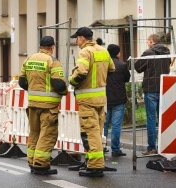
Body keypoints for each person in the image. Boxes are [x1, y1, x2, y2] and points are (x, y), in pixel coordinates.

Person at [69, 27, 115, 177]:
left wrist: (71, 80)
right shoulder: (103, 50)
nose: (76, 41)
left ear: (82, 38)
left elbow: (81, 72)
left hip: (87, 99)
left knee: (90, 133)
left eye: (77, 38)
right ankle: (92, 161)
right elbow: (112, 68)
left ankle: (95, 166)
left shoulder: (84, 52)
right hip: (101, 99)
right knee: (97, 131)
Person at [18, 36, 68, 175]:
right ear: (52, 47)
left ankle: (32, 161)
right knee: (47, 134)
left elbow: (22, 81)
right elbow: (59, 84)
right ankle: (41, 164)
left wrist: (34, 90)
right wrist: (64, 92)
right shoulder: (53, 61)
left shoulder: (29, 59)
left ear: (40, 46)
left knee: (34, 133)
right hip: (48, 107)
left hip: (33, 104)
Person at [134, 34, 171, 155]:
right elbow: (168, 68)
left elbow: (138, 67)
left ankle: (151, 148)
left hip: (150, 88)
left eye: (147, 41)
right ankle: (165, 145)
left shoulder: (148, 53)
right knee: (163, 118)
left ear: (151, 41)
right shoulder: (167, 52)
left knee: (151, 119)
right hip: (164, 88)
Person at [104, 44, 130, 157]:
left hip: (105, 98)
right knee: (116, 125)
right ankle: (115, 149)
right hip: (119, 99)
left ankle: (102, 147)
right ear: (118, 53)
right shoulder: (123, 65)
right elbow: (127, 78)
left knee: (104, 124)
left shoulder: (103, 65)